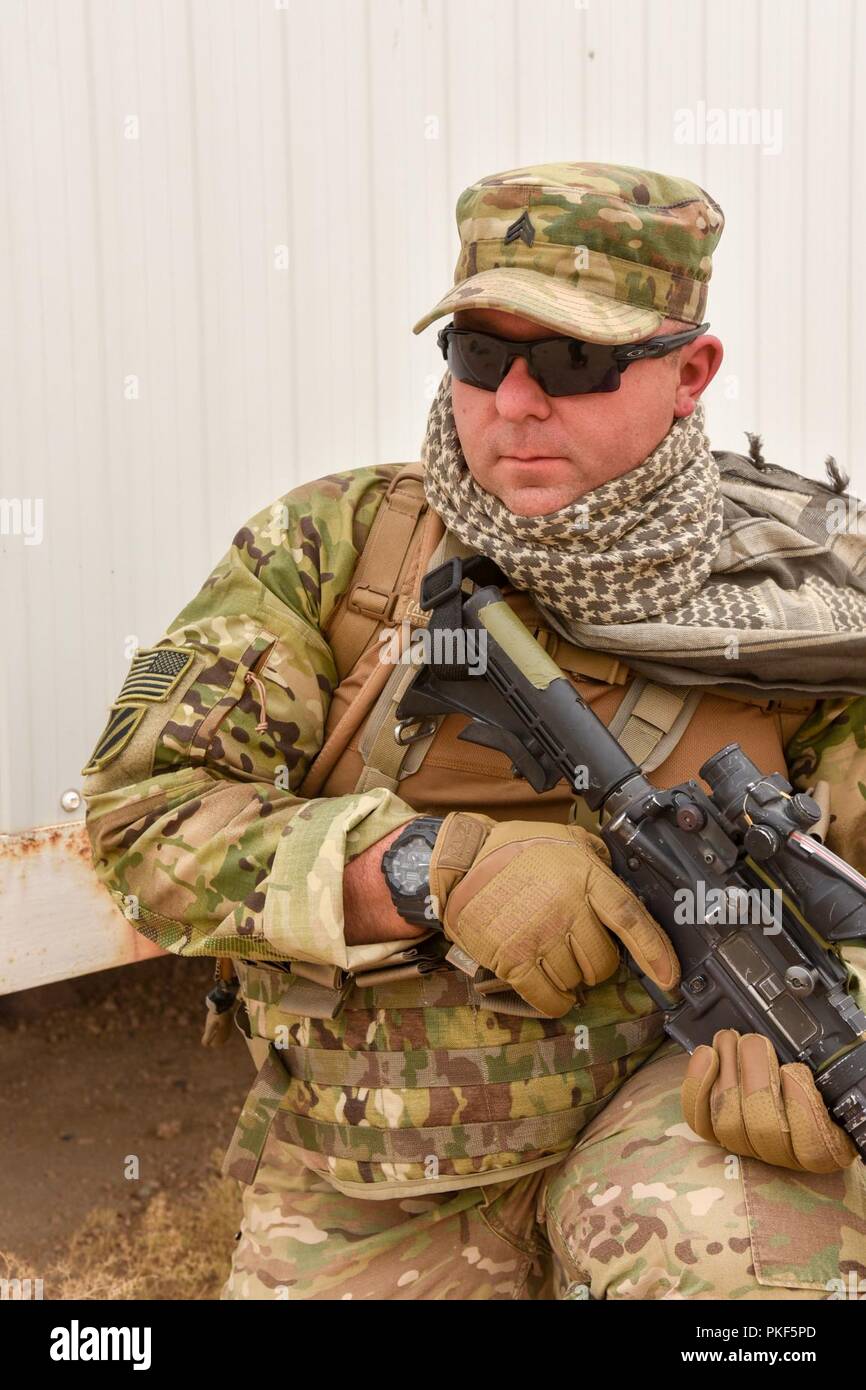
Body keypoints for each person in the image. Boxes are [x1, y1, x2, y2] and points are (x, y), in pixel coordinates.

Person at [82, 162, 866, 1300]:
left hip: (666, 1110)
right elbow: (144, 816)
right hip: (380, 1147)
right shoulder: (336, 550)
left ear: (689, 370)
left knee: (749, 1288)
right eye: (476, 355)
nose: (513, 401)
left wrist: (817, 1052)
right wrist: (423, 869)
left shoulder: (800, 605)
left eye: (572, 360)